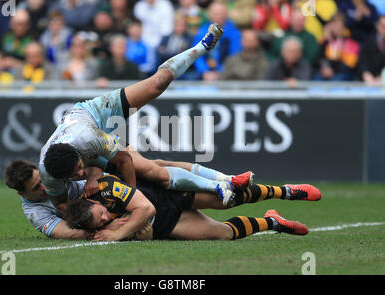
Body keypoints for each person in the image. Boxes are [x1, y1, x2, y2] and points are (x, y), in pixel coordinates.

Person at [39, 24, 254, 215]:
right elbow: (61, 206)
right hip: (86, 145)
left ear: (79, 156)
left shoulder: (89, 139)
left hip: (92, 114)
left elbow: (124, 160)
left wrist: (131, 201)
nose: (80, 173)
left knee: (157, 84)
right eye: (75, 174)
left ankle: (201, 47)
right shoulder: (50, 175)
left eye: (79, 167)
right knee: (155, 171)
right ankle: (223, 182)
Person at [66, 174, 321, 241]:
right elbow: (142, 230)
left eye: (102, 213)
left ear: (92, 201)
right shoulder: (95, 230)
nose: (105, 218)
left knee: (230, 199)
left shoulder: (105, 187)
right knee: (224, 234)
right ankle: (273, 221)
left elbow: (145, 210)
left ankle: (285, 192)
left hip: (168, 198)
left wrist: (119, 233)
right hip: (169, 224)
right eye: (100, 222)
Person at [4, 160, 93, 239]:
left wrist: (93, 179)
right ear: (22, 194)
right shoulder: (35, 213)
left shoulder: (52, 168)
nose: (44, 186)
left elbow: (92, 164)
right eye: (37, 187)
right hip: (95, 216)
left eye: (42, 180)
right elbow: (70, 232)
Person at [192, 1, 242, 81]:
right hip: (204, 74)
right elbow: (196, 54)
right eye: (215, 13)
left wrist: (220, 71)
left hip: (226, 73)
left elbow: (234, 55)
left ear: (226, 14)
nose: (218, 17)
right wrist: (205, 71)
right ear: (210, 14)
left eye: (220, 13)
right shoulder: (202, 31)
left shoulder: (234, 32)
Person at [315, 13, 360, 81]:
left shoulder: (351, 41)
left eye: (338, 25)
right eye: (333, 24)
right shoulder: (326, 41)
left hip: (343, 74)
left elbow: (350, 65)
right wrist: (326, 41)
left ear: (344, 27)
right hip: (326, 72)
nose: (336, 27)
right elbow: (318, 58)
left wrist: (332, 70)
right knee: (316, 80)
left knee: (335, 81)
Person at [358, 15, 385, 85]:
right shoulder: (368, 41)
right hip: (367, 80)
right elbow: (362, 61)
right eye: (383, 26)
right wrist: (366, 73)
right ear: (378, 26)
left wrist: (382, 77)